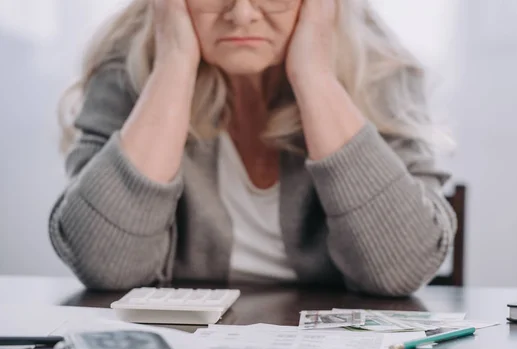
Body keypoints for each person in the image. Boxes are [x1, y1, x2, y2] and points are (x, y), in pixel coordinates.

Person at [49, 0, 457, 296]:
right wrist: (174, 63)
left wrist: (314, 75)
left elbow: (402, 268)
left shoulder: (380, 70)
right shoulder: (129, 68)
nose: (242, 13)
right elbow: (104, 264)